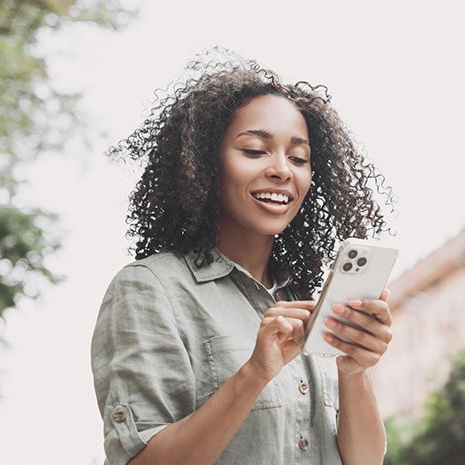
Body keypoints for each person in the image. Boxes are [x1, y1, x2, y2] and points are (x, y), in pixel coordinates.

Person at [91, 49, 395, 465]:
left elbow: (364, 461)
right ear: (203, 165)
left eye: (299, 158)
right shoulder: (151, 289)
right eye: (255, 151)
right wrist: (253, 374)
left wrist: (354, 370)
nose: (282, 170)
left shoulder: (305, 302)